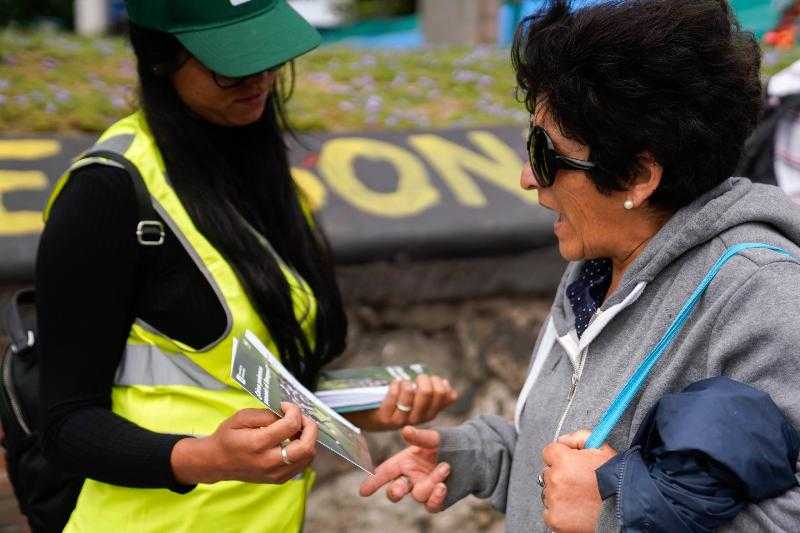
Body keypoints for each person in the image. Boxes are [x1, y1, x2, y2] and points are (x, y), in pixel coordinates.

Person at [359, 0, 800, 531]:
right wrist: (483, 458)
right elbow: (578, 468)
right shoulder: (598, 268)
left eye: (546, 154)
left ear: (638, 177)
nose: (527, 177)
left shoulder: (763, 296)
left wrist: (614, 513)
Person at [36, 1, 456, 532]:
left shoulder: (262, 171)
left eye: (269, 54)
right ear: (162, 58)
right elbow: (66, 424)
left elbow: (249, 385)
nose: (258, 78)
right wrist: (205, 458)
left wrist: (358, 411)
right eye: (230, 63)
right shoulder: (107, 191)